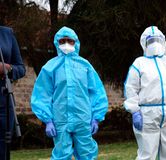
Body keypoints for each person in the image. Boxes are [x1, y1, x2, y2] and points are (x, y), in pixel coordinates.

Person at [31, 26, 108, 159]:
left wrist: (96, 117)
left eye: (70, 40)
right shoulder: (50, 67)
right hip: (60, 120)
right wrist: (47, 120)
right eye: (62, 41)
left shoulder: (85, 66)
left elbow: (97, 91)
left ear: (76, 42)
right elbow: (42, 95)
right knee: (61, 155)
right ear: (57, 43)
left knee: (87, 154)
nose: (66, 44)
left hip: (83, 119)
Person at [124, 26, 166, 160]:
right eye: (150, 41)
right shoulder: (139, 64)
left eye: (158, 40)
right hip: (147, 114)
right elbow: (131, 89)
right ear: (144, 43)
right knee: (147, 154)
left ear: (164, 42)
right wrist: (135, 111)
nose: (155, 43)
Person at [0, 25, 26, 159]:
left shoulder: (7, 34)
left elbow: (21, 68)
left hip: (3, 104)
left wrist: (8, 68)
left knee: (3, 151)